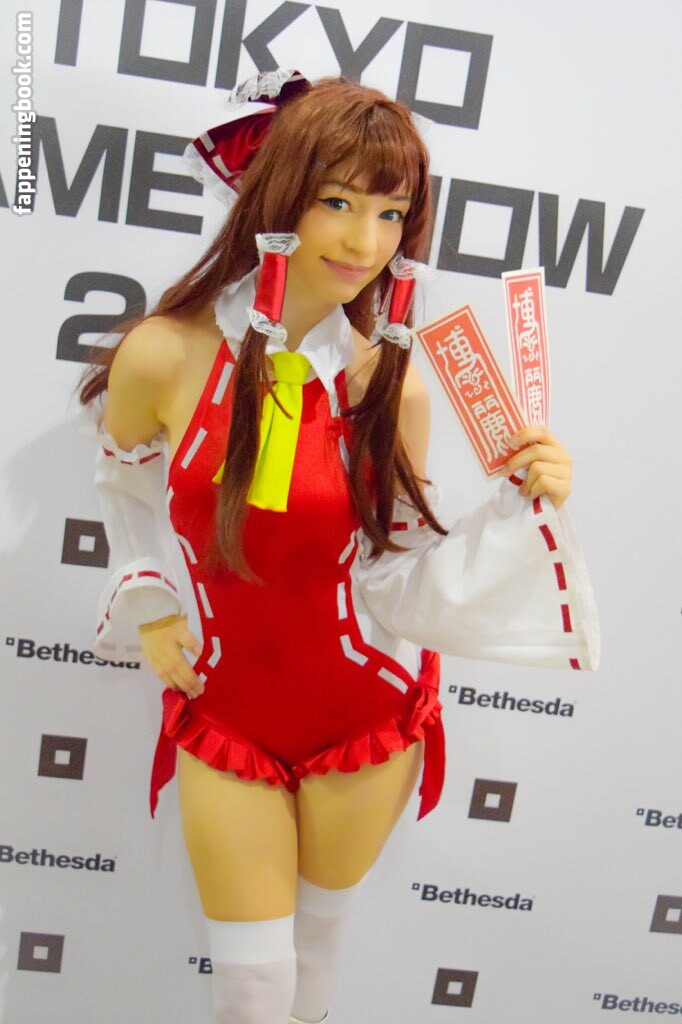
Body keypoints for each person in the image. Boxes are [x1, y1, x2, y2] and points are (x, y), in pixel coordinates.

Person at [76, 70, 599, 1024]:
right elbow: (122, 483)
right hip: (228, 711)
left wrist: (516, 510)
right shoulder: (164, 353)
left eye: (392, 214)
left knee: (313, 962)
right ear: (278, 197)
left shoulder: (389, 385)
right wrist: (148, 596)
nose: (365, 242)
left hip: (364, 713)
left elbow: (397, 567)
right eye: (338, 203)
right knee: (250, 986)